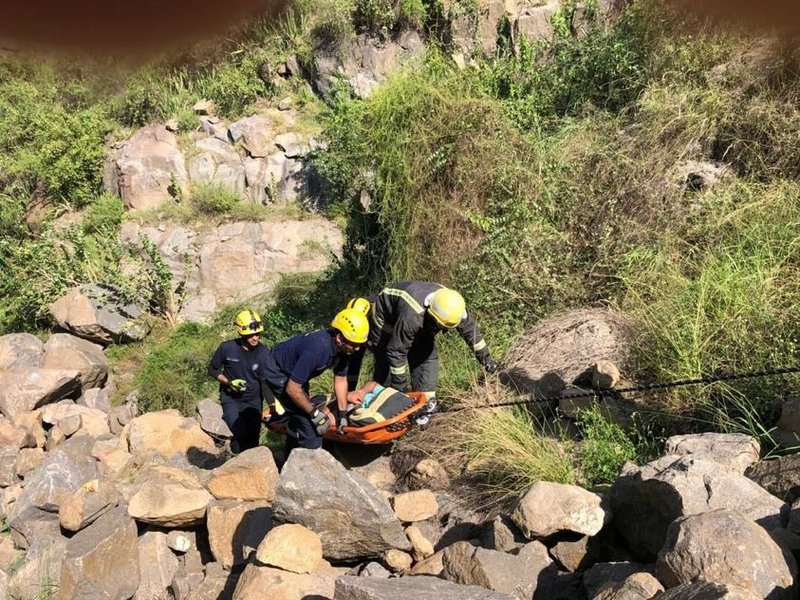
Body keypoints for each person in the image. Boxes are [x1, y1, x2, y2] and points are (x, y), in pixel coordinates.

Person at [363, 281, 498, 422]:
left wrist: (488, 362)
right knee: (387, 364)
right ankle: (384, 410)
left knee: (426, 357)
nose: (441, 330)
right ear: (431, 314)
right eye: (439, 326)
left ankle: (423, 410)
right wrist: (400, 390)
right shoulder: (413, 316)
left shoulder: (454, 308)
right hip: (386, 319)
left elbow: (473, 335)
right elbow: (396, 351)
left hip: (420, 318)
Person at [261, 307, 369, 453]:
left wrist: (342, 414)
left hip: (295, 376)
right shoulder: (318, 349)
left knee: (301, 415)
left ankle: (291, 451)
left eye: (359, 345)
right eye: (354, 344)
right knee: (311, 429)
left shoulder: (344, 349)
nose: (357, 349)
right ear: (339, 338)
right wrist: (315, 415)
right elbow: (292, 389)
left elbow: (341, 380)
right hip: (278, 371)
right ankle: (307, 463)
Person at [208, 309, 272, 454]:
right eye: (251, 335)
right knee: (238, 429)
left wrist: (273, 403)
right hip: (231, 398)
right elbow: (213, 369)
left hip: (254, 400)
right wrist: (228, 383)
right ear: (241, 333)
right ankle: (236, 457)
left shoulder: (264, 352)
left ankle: (250, 465)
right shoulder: (227, 348)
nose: (255, 338)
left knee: (252, 438)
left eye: (257, 334)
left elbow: (265, 381)